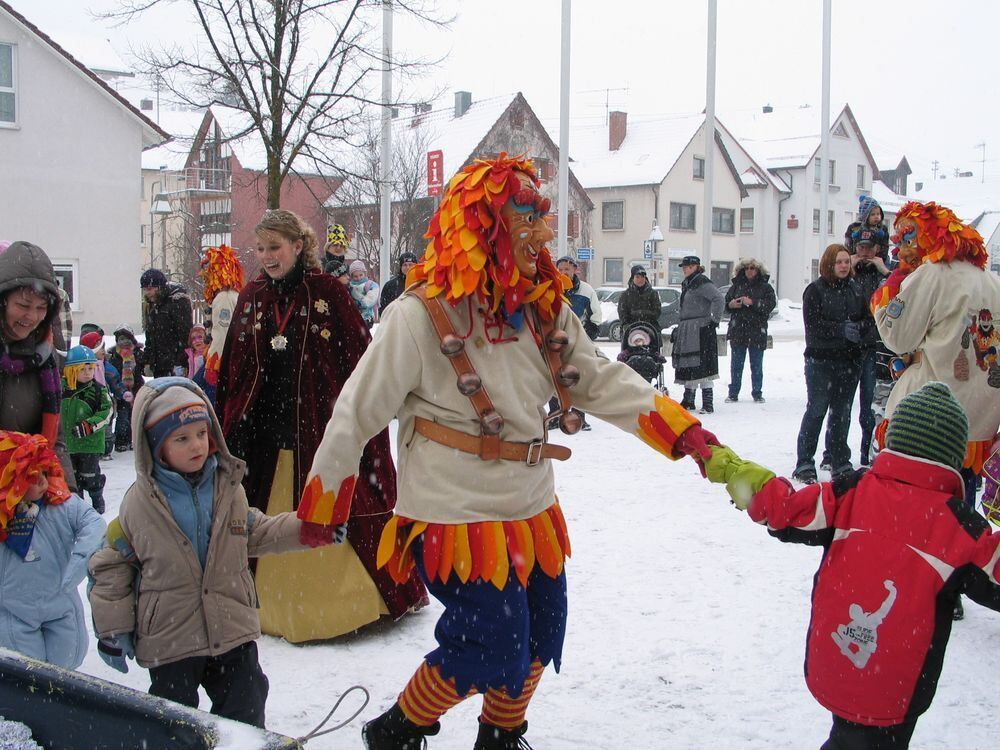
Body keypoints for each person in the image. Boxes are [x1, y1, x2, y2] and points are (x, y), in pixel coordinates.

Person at [292, 155, 723, 749]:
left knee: (542, 633)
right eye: (526, 218)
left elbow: (599, 379)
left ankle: (500, 735)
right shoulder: (417, 316)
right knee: (489, 643)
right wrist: (323, 501)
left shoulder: (543, 307)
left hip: (531, 506)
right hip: (454, 513)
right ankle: (398, 729)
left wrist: (685, 435)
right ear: (483, 225)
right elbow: (356, 411)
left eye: (541, 217)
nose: (543, 234)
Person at [713, 382, 1000, 750]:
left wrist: (742, 475)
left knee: (849, 737)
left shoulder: (854, 490)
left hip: (837, 660)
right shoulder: (959, 526)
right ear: (953, 457)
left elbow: (788, 511)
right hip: (897, 682)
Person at [215, 209, 426, 644]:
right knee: (266, 521)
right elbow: (235, 366)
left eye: (276, 247)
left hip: (320, 425)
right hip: (266, 436)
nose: (268, 257)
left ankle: (344, 605)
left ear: (298, 246)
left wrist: (360, 413)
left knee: (328, 503)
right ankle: (265, 604)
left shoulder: (328, 291)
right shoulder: (251, 295)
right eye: (261, 249)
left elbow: (361, 358)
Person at [88, 379, 340, 728]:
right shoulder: (138, 505)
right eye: (181, 438)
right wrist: (113, 629)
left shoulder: (228, 490)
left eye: (201, 434)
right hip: (171, 637)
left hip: (231, 625)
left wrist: (309, 529)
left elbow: (257, 531)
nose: (196, 445)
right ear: (155, 447)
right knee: (173, 723)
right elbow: (112, 566)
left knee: (246, 705)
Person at [0, 430, 105, 669]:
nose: (42, 481)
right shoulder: (3, 517)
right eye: (31, 476)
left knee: (66, 663)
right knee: (26, 674)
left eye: (44, 472)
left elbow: (94, 523)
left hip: (60, 604)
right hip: (14, 612)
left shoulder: (60, 503)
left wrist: (81, 557)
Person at [793, 244, 870, 484]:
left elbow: (868, 318)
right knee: (817, 409)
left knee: (842, 413)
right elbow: (812, 325)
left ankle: (839, 460)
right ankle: (805, 462)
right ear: (829, 264)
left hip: (849, 361)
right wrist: (840, 330)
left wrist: (860, 330)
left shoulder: (856, 289)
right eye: (839, 262)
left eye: (847, 261)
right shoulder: (815, 290)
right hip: (820, 360)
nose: (844, 266)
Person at [0, 241, 74, 485]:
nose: (31, 317)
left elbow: (56, 439)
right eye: (22, 305)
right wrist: (18, 479)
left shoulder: (43, 358)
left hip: (32, 491)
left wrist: (66, 491)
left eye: (41, 308)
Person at [546, 256, 604, 431]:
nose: (564, 273)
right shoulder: (551, 288)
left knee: (579, 377)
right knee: (555, 376)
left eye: (567, 269)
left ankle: (579, 416)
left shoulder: (586, 291)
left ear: (575, 270)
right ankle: (556, 414)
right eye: (561, 269)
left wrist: (589, 332)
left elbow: (595, 314)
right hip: (555, 341)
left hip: (579, 340)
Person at [61, 345, 112, 514]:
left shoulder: (98, 390)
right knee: (72, 478)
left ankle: (97, 498)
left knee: (90, 475)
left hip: (89, 444)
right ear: (71, 370)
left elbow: (107, 411)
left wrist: (89, 426)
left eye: (91, 368)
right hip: (67, 445)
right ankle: (78, 506)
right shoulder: (61, 389)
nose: (88, 372)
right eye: (83, 369)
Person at [672, 255, 724, 414]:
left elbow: (718, 298)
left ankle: (708, 402)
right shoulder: (689, 283)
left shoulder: (702, 282)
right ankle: (689, 399)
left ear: (695, 267)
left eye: (687, 267)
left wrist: (714, 320)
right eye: (683, 267)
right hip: (689, 328)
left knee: (703, 365)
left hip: (700, 328)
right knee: (690, 364)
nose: (684, 269)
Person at [724, 258, 776, 404]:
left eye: (752, 268)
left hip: (757, 331)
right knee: (736, 365)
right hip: (738, 330)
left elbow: (770, 305)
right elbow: (725, 304)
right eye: (746, 268)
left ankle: (757, 393)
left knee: (757, 365)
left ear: (758, 269)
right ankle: (733, 393)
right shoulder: (736, 286)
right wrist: (731, 305)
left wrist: (753, 302)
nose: (749, 271)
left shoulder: (765, 287)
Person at [198, 244, 244, 396]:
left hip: (221, 363)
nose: (204, 275)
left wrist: (214, 364)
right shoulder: (232, 295)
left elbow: (222, 334)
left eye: (209, 269)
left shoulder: (224, 298)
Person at [80, 330, 126, 460]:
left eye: (104, 347)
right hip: (89, 403)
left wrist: (123, 393)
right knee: (93, 425)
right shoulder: (84, 367)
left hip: (105, 400)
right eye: (99, 347)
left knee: (106, 424)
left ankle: (106, 449)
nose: (103, 350)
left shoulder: (106, 367)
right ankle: (94, 448)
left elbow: (115, 381)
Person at [140, 269, 193, 377]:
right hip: (159, 365)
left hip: (173, 365)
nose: (147, 293)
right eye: (145, 289)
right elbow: (150, 337)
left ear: (160, 287)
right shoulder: (153, 305)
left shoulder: (176, 302)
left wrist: (180, 362)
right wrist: (147, 360)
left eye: (150, 289)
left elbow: (185, 335)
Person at [106, 325, 145, 453]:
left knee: (135, 415)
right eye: (121, 339)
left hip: (136, 388)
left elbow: (143, 366)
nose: (124, 343)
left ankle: (134, 439)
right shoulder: (115, 355)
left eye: (127, 339)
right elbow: (113, 373)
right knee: (123, 417)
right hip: (121, 391)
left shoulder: (137, 353)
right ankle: (121, 440)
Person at [348, 260, 380, 327]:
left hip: (367, 317)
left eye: (361, 275)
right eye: (355, 276)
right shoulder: (349, 286)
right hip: (353, 317)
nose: (359, 278)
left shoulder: (371, 284)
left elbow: (371, 299)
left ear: (365, 274)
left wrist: (359, 303)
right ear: (351, 276)